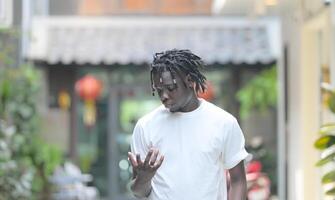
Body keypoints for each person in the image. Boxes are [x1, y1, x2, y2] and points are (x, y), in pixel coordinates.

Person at [128, 49, 249, 200]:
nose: (164, 96)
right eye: (159, 91)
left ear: (190, 81)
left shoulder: (223, 123)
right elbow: (138, 192)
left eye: (171, 88)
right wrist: (144, 178)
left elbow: (238, 181)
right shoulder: (145, 127)